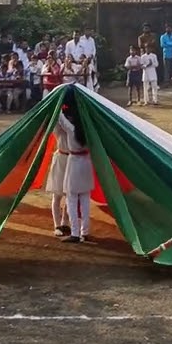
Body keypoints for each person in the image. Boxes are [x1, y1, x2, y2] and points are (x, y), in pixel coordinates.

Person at [58, 91, 95, 243]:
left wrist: (58, 98)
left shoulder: (71, 129)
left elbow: (59, 116)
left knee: (72, 199)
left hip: (74, 163)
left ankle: (74, 233)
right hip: (86, 163)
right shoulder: (89, 128)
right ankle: (84, 232)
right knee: (85, 198)